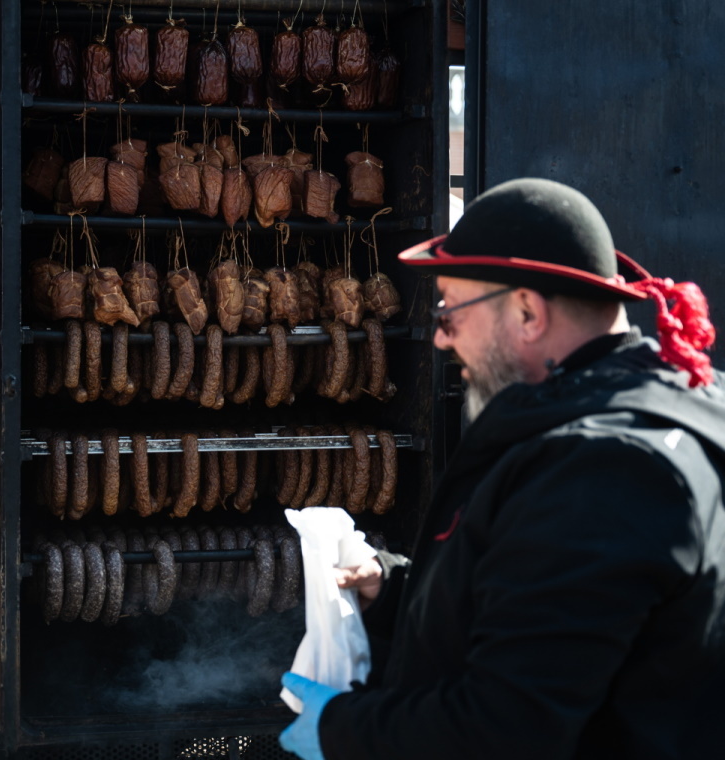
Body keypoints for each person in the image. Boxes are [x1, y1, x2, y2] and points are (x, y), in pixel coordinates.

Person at [280, 178, 725, 759]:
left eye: (450, 308)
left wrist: (343, 729)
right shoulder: (641, 419)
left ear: (526, 311)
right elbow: (545, 609)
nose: (440, 337)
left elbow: (505, 729)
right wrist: (391, 587)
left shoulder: (606, 467)